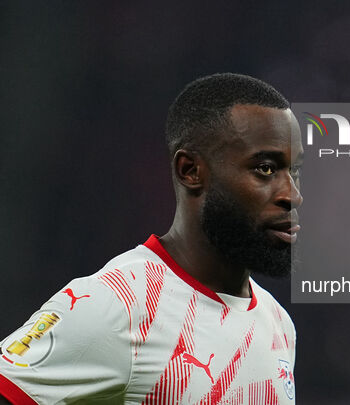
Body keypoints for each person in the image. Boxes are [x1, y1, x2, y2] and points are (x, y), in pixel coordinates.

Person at [0, 73, 303, 404]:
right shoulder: (117, 305)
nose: (293, 195)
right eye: (265, 169)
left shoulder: (277, 324)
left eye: (294, 171)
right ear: (190, 171)